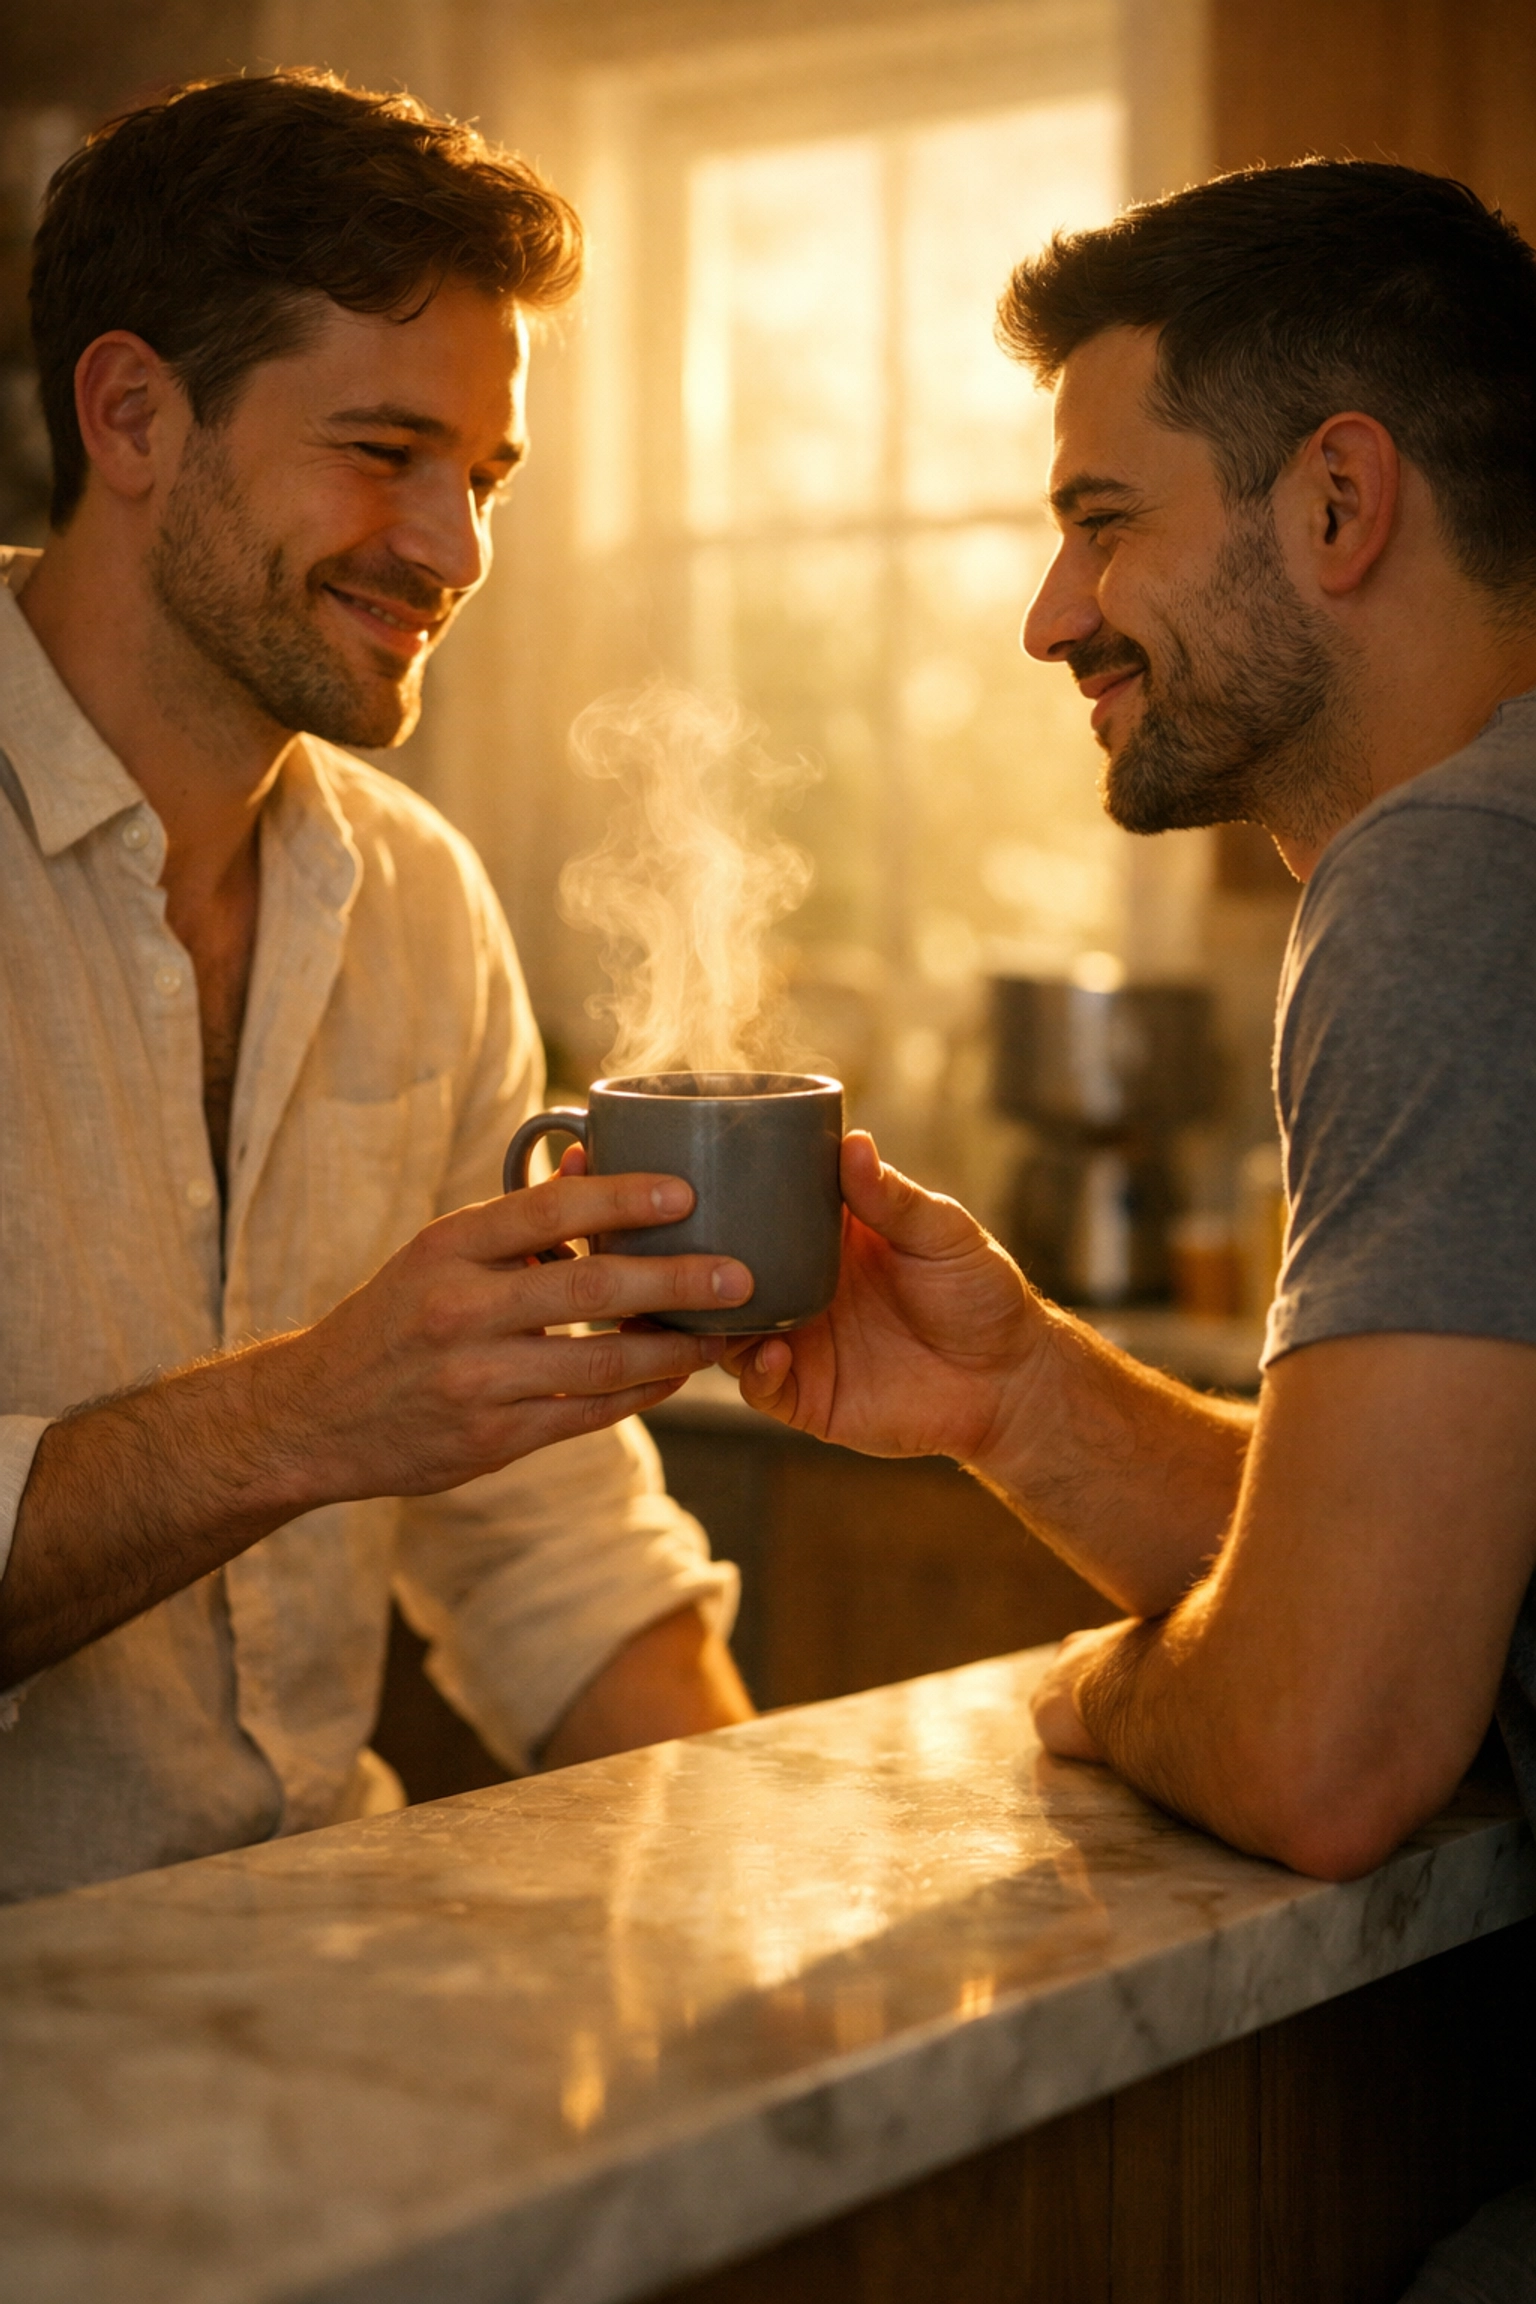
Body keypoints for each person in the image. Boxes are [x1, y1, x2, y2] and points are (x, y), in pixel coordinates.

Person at [725, 158, 1536, 1893]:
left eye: (1106, 522)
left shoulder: (1451, 879)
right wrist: (1011, 1390)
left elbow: (1321, 1748)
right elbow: (1413, 1553)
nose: (1051, 615)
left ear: (1337, 501)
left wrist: (1106, 1694)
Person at [0, 69, 754, 1906]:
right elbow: (351, 1411)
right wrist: (305, 1415)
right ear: (132, 416)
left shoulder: (415, 899)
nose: (455, 551)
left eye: (482, 479)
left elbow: (543, 1542)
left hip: (317, 1976)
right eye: (382, 453)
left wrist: (776, 1898)